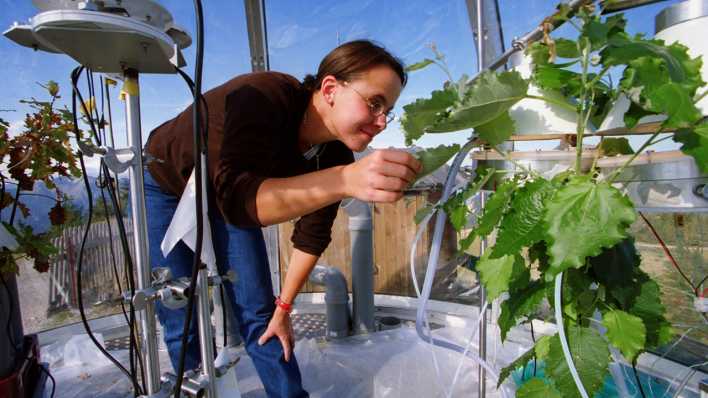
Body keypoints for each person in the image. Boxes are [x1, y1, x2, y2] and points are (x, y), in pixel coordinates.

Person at [143, 39, 421, 397]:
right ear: (331, 88)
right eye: (375, 103)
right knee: (176, 301)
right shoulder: (263, 96)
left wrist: (284, 307)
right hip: (167, 181)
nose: (382, 121)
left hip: (228, 194)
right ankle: (193, 384)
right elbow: (240, 201)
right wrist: (345, 181)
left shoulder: (333, 153)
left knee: (261, 312)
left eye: (389, 110)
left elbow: (311, 236)